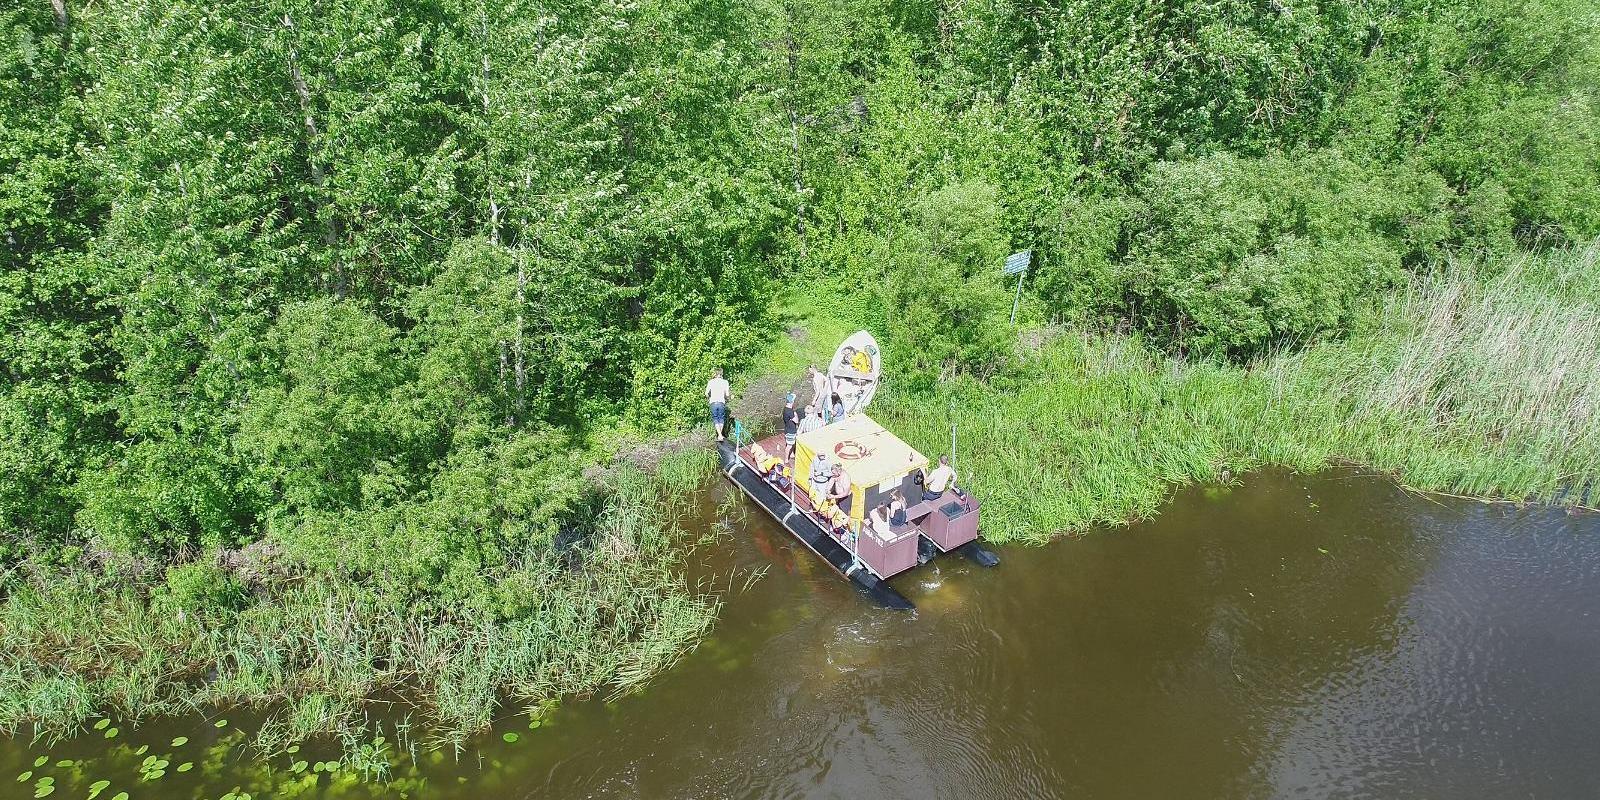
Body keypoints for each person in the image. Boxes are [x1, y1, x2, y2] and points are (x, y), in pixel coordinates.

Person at [705, 367, 731, 442]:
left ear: (715, 374)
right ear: (721, 374)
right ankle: (720, 435)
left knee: (715, 418)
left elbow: (706, 393)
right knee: (721, 418)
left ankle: (719, 435)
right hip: (721, 402)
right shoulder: (725, 382)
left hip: (713, 402)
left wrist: (709, 398)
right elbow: (727, 394)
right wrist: (727, 398)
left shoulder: (710, 382)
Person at [781, 393, 800, 461]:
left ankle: (791, 454)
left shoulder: (786, 409)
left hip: (787, 429)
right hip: (791, 431)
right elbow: (797, 421)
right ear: (792, 401)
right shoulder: (790, 412)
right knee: (789, 445)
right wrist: (795, 413)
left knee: (791, 443)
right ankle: (786, 459)